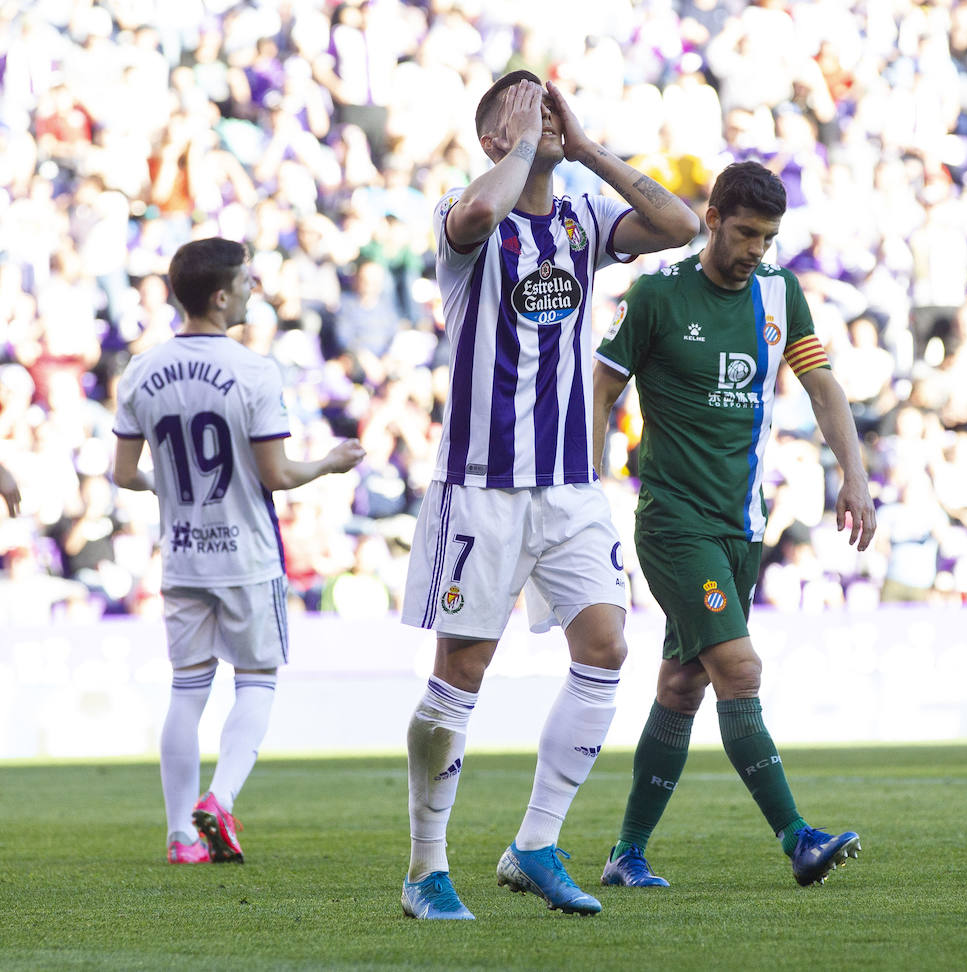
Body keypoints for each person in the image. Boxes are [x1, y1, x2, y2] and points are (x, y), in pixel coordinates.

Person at [398, 71, 697, 920]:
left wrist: (587, 144)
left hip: (570, 486)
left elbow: (677, 225)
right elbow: (485, 214)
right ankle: (425, 868)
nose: (544, 114)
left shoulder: (581, 218)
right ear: (495, 137)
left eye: (550, 103)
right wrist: (526, 143)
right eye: (523, 109)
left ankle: (535, 842)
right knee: (462, 671)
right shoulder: (465, 217)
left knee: (606, 650)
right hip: (480, 487)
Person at [591, 160, 877, 889]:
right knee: (740, 672)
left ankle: (626, 856)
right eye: (746, 232)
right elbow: (602, 387)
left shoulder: (781, 297)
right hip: (673, 524)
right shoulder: (657, 296)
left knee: (682, 689)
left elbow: (821, 387)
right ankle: (798, 838)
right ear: (712, 217)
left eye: (769, 237)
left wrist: (856, 475)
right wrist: (590, 491)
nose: (756, 250)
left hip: (739, 529)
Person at [111, 238, 365, 864]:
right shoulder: (254, 370)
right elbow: (276, 473)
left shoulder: (140, 371)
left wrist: (163, 487)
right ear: (221, 296)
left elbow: (122, 474)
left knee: (187, 689)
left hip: (184, 554)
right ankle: (219, 799)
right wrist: (330, 463)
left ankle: (178, 837)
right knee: (256, 682)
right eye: (247, 281)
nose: (255, 289)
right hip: (247, 554)